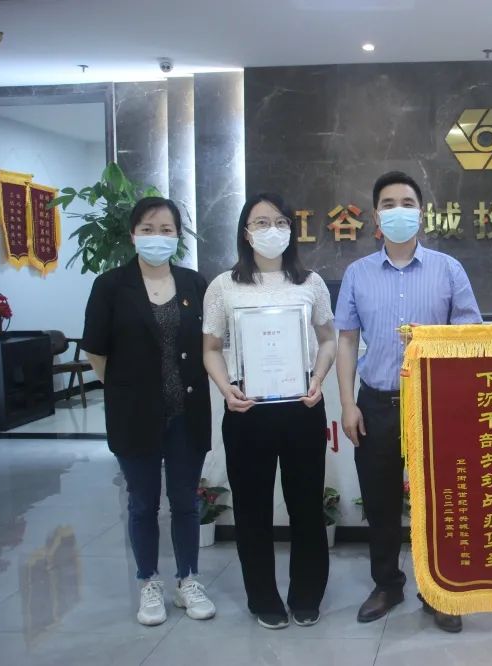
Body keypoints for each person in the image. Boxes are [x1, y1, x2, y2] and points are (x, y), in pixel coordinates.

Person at [336, 171, 482, 633]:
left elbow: (471, 334)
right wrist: (347, 404)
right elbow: (346, 341)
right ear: (376, 216)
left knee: (439, 501)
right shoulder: (358, 274)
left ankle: (438, 590)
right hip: (375, 403)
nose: (398, 211)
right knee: (380, 501)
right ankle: (387, 584)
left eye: (407, 203)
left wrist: (436, 344)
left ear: (421, 212)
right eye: (388, 204)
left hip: (435, 404)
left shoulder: (448, 269)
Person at [202, 193, 337, 630]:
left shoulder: (310, 283)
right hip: (246, 410)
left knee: (306, 506)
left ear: (291, 230)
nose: (271, 230)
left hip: (302, 405)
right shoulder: (223, 286)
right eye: (260, 222)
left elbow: (328, 339)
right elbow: (211, 348)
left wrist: (318, 377)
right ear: (245, 232)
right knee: (252, 508)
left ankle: (307, 595)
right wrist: (226, 388)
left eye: (279, 221)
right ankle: (263, 598)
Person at [82, 197, 215, 626]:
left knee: (185, 502)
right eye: (148, 229)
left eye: (166, 230)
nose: (157, 237)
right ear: (133, 235)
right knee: (142, 503)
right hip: (134, 414)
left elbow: (210, 343)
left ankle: (188, 580)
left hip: (187, 413)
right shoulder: (111, 285)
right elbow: (95, 349)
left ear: (177, 236)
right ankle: (148, 582)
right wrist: (126, 389)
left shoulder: (194, 283)